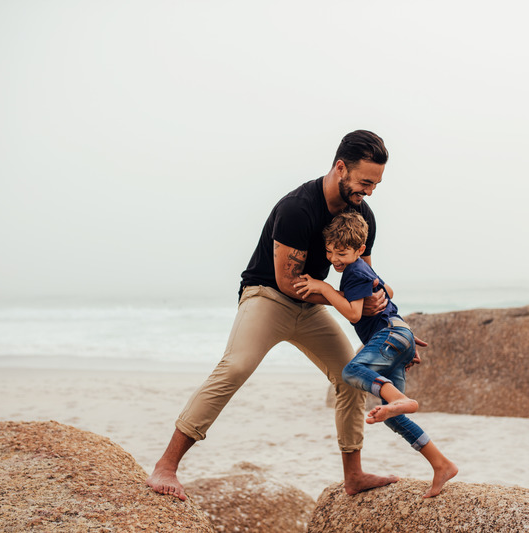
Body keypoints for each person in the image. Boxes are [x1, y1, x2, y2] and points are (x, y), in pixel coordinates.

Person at [147, 130, 403, 500]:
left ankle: (354, 476)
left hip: (314, 301)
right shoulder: (298, 208)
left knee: (352, 378)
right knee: (235, 367)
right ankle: (166, 466)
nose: (370, 191)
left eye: (376, 184)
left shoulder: (361, 215)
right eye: (365, 182)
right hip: (268, 295)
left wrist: (393, 329)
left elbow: (365, 280)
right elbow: (288, 282)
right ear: (340, 168)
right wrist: (331, 293)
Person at [294, 211, 458, 498]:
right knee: (394, 419)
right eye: (330, 251)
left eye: (342, 253)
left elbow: (353, 312)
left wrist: (324, 288)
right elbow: (389, 291)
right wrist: (403, 341)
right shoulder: (361, 270)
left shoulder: (355, 272)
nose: (334, 259)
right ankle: (441, 464)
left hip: (390, 336)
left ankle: (400, 400)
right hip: (398, 335)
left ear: (359, 250)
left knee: (351, 372)